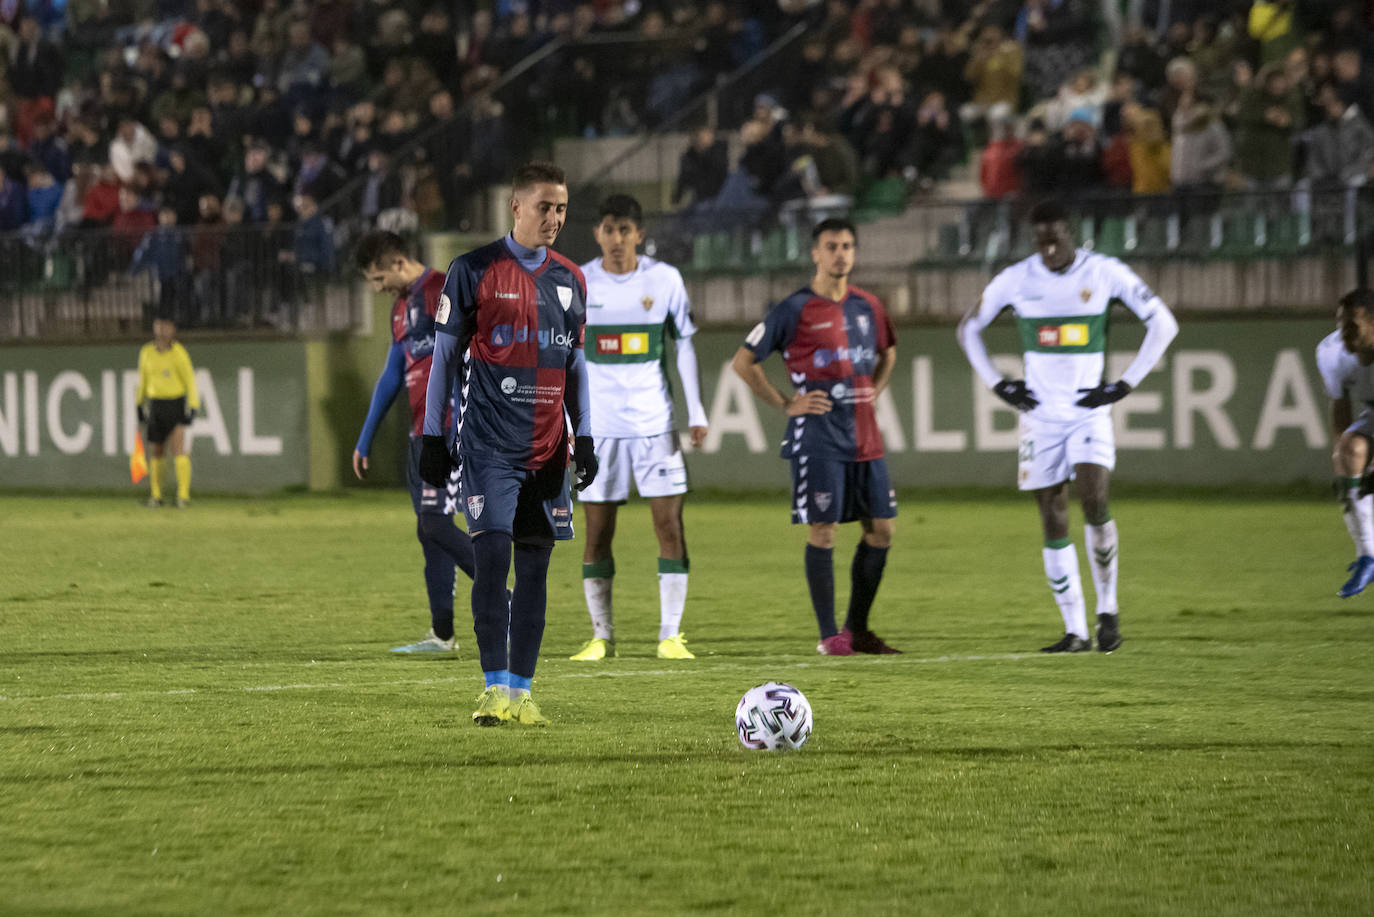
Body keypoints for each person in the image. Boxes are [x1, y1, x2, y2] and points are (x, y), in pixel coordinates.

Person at [957, 199, 1179, 653]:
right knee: (1052, 514)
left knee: (1095, 498)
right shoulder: (1017, 279)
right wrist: (1000, 385)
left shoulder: (1104, 273)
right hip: (1039, 417)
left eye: (1055, 237)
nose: (1048, 247)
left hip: (1087, 411)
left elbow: (1164, 324)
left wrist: (1122, 385)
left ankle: (1108, 610)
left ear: (1072, 233)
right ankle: (1076, 630)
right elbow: (967, 329)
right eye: (1040, 240)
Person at [418, 161, 596, 727]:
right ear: (515, 207)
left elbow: (577, 365)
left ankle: (522, 694)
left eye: (562, 208)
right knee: (492, 561)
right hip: (489, 446)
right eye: (544, 206)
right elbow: (444, 358)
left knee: (537, 569)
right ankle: (493, 688)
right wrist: (432, 434)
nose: (554, 218)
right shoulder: (472, 270)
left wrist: (584, 436)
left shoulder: (572, 278)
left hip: (549, 451)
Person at [730, 218, 901, 656]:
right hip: (820, 437)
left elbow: (889, 352)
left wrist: (873, 392)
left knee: (881, 529)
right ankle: (830, 637)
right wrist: (787, 403)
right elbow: (743, 362)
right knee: (823, 531)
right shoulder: (794, 309)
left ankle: (857, 629)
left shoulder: (868, 306)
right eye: (831, 246)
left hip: (866, 437)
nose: (840, 253)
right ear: (815, 253)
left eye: (847, 245)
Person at [569, 194, 709, 663]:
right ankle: (601, 637)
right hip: (599, 429)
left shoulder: (664, 279)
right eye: (609, 229)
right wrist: (569, 422)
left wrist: (698, 411)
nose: (616, 239)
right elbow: (566, 356)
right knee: (596, 534)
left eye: (625, 230)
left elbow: (686, 345)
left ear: (639, 234)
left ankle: (670, 635)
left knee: (669, 526)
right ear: (597, 234)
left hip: (655, 426)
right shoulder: (580, 281)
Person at [353, 230, 477, 653]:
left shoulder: (443, 290)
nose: (376, 288)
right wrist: (365, 439)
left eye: (376, 278)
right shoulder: (400, 307)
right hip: (418, 434)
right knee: (430, 533)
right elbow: (392, 376)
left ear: (398, 263)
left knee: (435, 523)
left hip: (447, 430)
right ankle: (443, 635)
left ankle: (509, 598)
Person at [1316, 289, 1374, 597]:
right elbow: (1340, 408)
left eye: (1352, 326)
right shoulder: (1331, 351)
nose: (1344, 334)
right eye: (1340, 325)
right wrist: (1342, 465)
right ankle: (1368, 556)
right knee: (1350, 452)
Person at [136, 317, 200, 509]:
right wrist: (139, 404)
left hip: (175, 403)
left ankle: (183, 496)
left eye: (166, 326)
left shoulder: (179, 353)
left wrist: (193, 406)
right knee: (156, 452)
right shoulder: (146, 352)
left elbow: (190, 380)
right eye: (159, 325)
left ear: (173, 329)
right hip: (156, 405)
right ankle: (156, 496)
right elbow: (143, 380)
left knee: (178, 449)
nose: (162, 330)